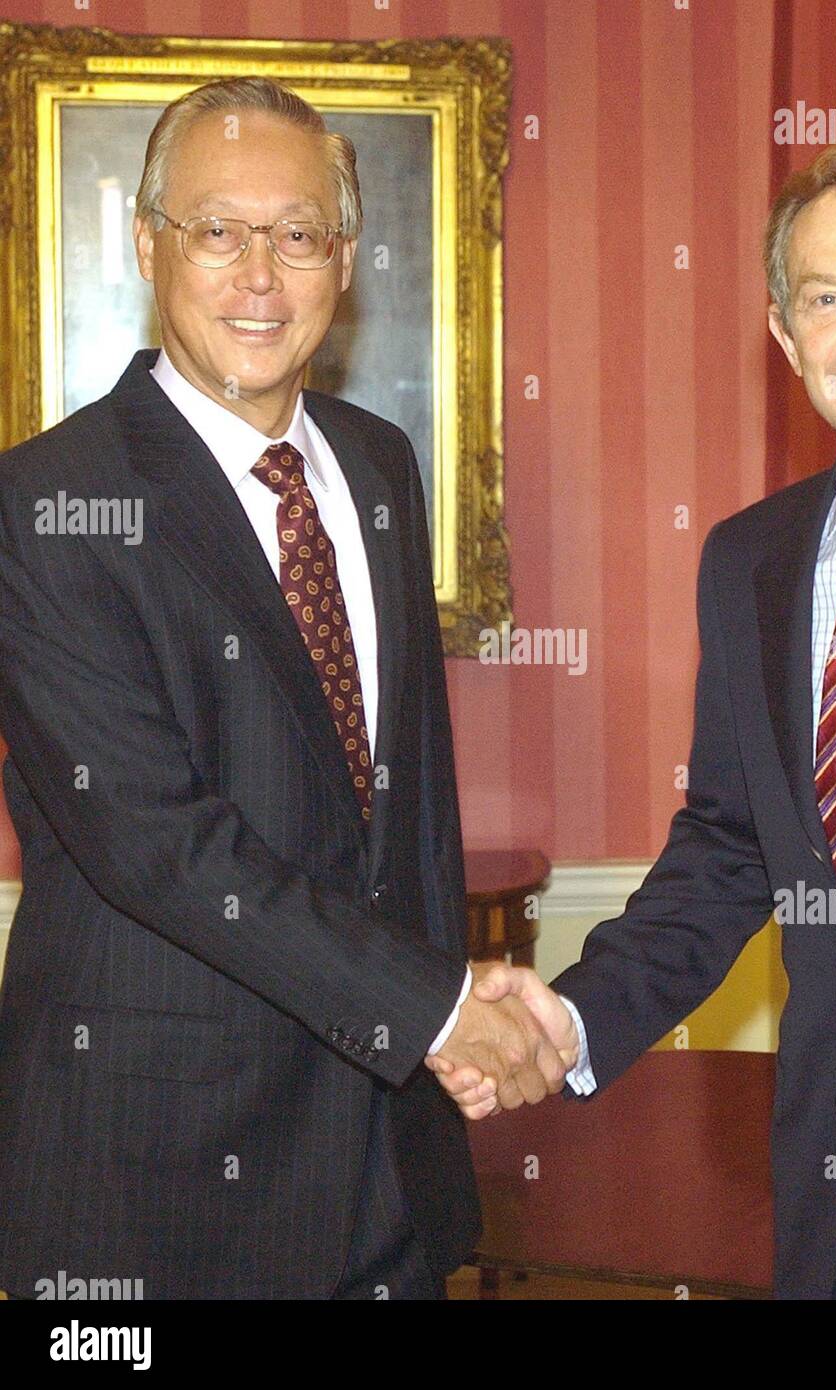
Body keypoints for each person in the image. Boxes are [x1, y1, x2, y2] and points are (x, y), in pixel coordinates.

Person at [429, 134, 836, 1300]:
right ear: (785, 337)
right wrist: (569, 1021)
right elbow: (729, 850)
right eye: (825, 297)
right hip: (829, 1199)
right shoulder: (750, 559)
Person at [0, 76, 567, 1301]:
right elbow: (155, 842)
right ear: (148, 244)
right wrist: (436, 1006)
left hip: (384, 1166)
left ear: (347, 259)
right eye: (218, 230)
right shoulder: (48, 503)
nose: (261, 275)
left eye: (299, 235)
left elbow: (403, 806)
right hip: (157, 1183)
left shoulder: (375, 465)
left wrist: (442, 1032)